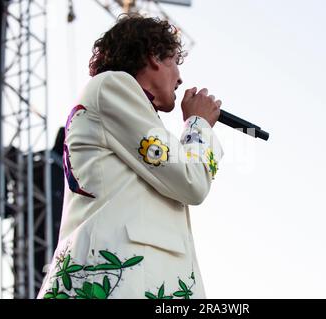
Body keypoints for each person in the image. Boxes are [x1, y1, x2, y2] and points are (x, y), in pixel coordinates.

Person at [37, 13, 224, 299]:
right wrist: (198, 124)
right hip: (119, 280)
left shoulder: (129, 109)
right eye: (174, 61)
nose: (180, 77)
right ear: (153, 57)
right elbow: (192, 179)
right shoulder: (113, 86)